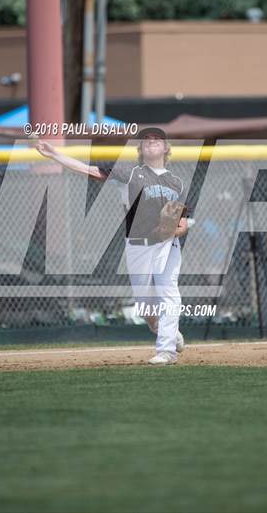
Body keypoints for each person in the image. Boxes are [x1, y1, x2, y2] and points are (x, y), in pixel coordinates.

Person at [36, 127, 188, 365]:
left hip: (166, 244)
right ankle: (167, 332)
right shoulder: (129, 172)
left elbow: (180, 221)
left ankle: (166, 350)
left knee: (169, 291)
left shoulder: (175, 182)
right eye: (146, 140)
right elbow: (88, 170)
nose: (151, 142)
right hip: (138, 244)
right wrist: (56, 155)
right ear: (140, 148)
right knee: (146, 309)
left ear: (166, 148)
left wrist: (177, 230)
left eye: (157, 139)